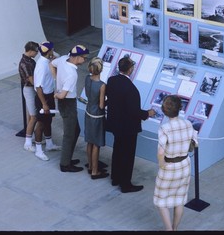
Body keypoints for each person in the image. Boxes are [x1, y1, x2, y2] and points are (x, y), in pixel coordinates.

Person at [106, 56, 155, 193]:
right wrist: (147, 114)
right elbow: (134, 111)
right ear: (131, 69)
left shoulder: (112, 80)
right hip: (128, 127)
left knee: (117, 151)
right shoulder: (131, 89)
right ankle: (125, 184)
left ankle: (115, 177)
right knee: (127, 155)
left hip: (116, 124)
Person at [153, 95, 198, 231]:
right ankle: (175, 228)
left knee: (161, 201)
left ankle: (169, 230)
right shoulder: (188, 123)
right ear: (180, 108)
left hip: (169, 166)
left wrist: (162, 164)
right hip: (184, 165)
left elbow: (161, 152)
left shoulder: (164, 128)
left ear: (164, 110)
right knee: (180, 200)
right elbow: (195, 144)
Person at [52, 44, 89, 172]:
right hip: (68, 103)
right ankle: (65, 164)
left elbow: (52, 64)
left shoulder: (63, 59)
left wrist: (56, 79)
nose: (85, 60)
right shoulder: (72, 74)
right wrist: (56, 93)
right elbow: (62, 96)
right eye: (84, 58)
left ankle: (67, 158)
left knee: (76, 130)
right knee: (69, 134)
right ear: (77, 57)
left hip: (67, 102)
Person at [32, 41, 62, 161]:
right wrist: (44, 104)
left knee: (48, 120)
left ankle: (49, 144)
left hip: (49, 95)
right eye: (52, 49)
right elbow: (38, 86)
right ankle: (38, 150)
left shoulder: (47, 61)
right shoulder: (40, 65)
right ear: (49, 51)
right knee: (40, 123)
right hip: (42, 97)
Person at [84, 57, 108, 180]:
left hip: (88, 112)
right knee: (96, 144)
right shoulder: (102, 85)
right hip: (97, 116)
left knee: (89, 141)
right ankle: (95, 171)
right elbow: (101, 105)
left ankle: (90, 166)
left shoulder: (87, 79)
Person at [18, 41, 39, 152]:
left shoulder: (29, 60)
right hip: (30, 89)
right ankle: (28, 142)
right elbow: (31, 79)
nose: (37, 53)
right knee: (34, 116)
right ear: (30, 51)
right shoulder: (25, 63)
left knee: (31, 115)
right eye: (36, 51)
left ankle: (31, 136)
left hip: (30, 89)